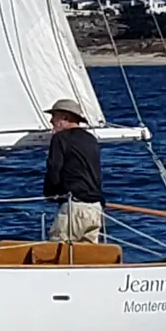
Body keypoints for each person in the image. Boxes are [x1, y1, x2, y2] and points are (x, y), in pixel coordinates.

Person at [43, 97, 104, 243]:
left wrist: (50, 194)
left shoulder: (60, 139)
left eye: (54, 116)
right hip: (95, 208)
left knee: (57, 252)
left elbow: (54, 169)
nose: (51, 121)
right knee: (87, 257)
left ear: (65, 117)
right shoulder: (91, 139)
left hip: (74, 207)